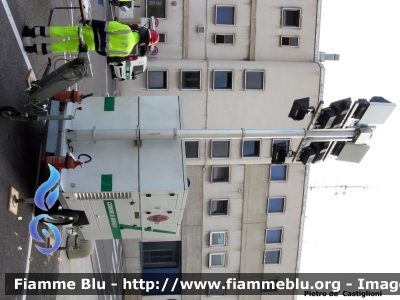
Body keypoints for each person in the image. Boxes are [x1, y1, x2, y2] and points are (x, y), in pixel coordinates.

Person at [23, 19, 159, 56]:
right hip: (90, 46)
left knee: (61, 31)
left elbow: (105, 25)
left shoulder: (127, 30)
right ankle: (33, 49)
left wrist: (90, 21)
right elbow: (104, 53)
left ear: (142, 31)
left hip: (89, 32)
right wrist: (96, 46)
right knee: (61, 48)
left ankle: (32, 32)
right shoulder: (127, 51)